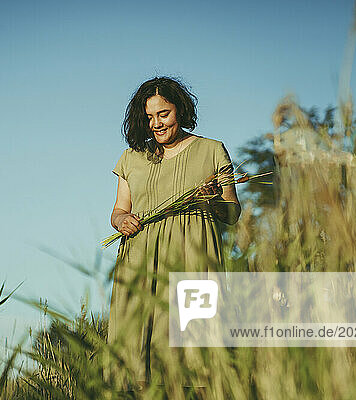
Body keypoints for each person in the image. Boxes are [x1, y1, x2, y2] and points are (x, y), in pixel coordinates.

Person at [105, 76, 241, 391]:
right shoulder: (132, 157)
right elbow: (117, 210)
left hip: (193, 262)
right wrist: (122, 221)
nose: (156, 123)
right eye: (149, 117)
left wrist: (214, 200)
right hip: (140, 265)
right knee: (140, 367)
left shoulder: (211, 150)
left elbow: (233, 213)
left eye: (163, 114)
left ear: (179, 109)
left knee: (198, 367)